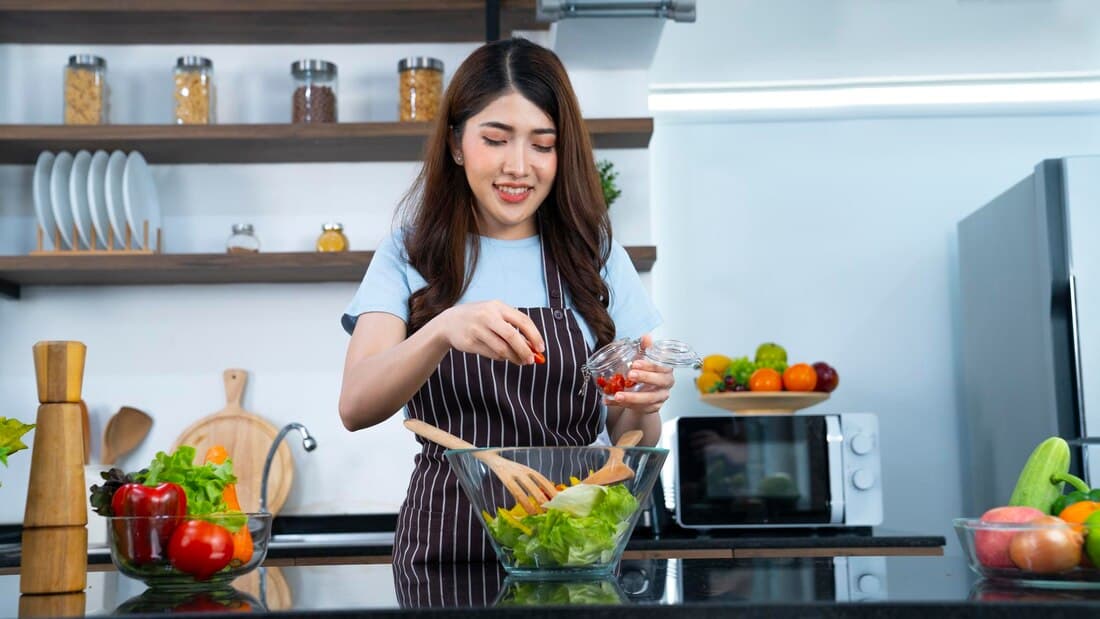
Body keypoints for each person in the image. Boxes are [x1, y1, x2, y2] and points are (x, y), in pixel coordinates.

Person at [338, 37, 674, 565]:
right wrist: (442, 328)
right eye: (496, 139)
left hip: (570, 546)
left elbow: (627, 435)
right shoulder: (410, 252)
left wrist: (646, 406)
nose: (519, 166)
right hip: (446, 549)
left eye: (543, 145)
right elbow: (356, 406)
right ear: (455, 143)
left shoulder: (595, 254)